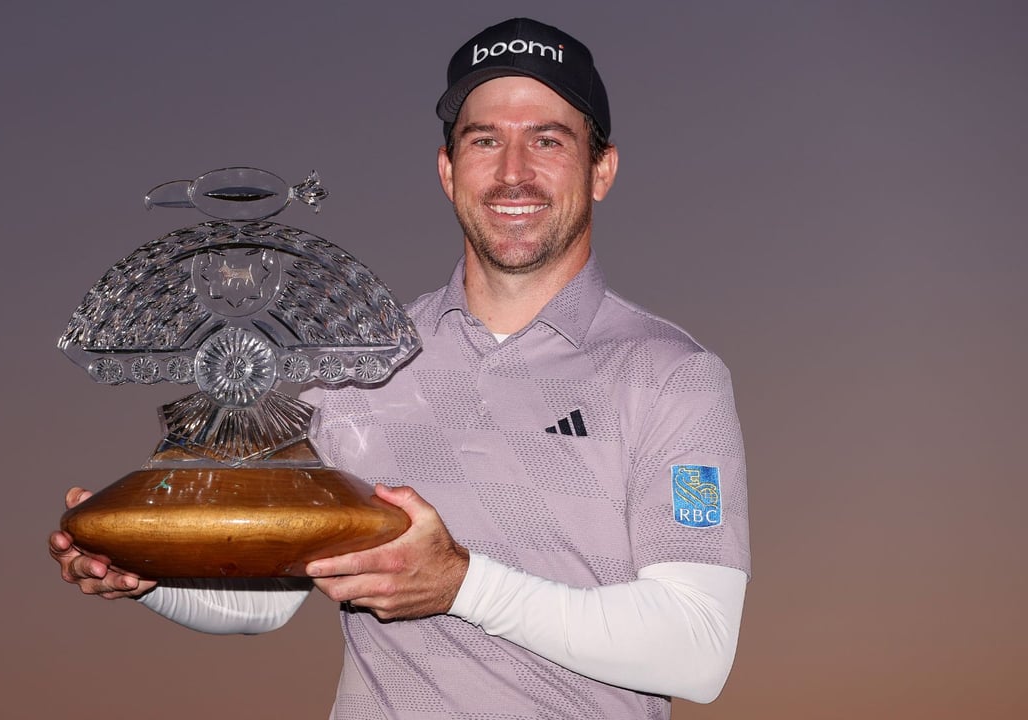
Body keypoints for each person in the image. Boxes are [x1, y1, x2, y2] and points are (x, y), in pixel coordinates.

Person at [50, 17, 750, 719]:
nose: (513, 172)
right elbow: (268, 597)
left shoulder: (671, 375)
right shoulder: (363, 361)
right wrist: (148, 573)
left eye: (547, 140)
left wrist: (462, 586)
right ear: (448, 171)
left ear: (601, 170)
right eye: (484, 140)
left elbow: (697, 647)